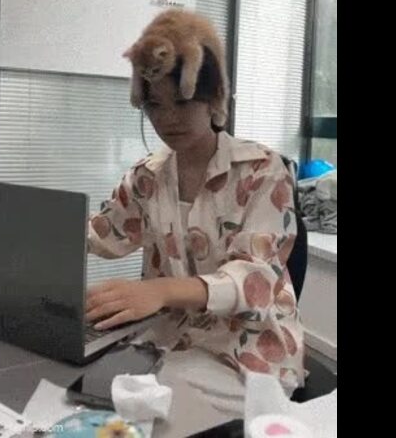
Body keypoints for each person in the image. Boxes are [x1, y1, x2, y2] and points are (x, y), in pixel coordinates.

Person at [85, 38, 304, 414]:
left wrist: (160, 290)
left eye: (183, 101)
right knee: (90, 391)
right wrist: (40, 236)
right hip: (167, 337)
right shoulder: (146, 176)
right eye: (155, 104)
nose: (168, 118)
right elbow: (105, 233)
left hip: (245, 351)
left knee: (137, 412)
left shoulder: (264, 170)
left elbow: (254, 278)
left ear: (214, 100)